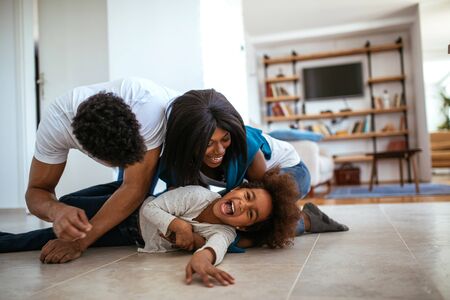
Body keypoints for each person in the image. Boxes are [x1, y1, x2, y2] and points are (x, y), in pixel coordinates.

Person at [1, 168, 301, 288]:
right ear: (237, 189)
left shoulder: (225, 233)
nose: (243, 206)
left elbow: (214, 249)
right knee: (68, 205)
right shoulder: (198, 195)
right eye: (247, 197)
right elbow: (149, 207)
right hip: (128, 207)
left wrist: (201, 260)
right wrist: (179, 225)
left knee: (44, 238)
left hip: (127, 235)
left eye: (251, 215)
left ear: (247, 228)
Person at [159, 89, 348, 250]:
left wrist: (201, 241)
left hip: (289, 173)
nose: (219, 151)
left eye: (225, 139)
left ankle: (306, 220)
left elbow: (263, 206)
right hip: (253, 185)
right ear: (188, 142)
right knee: (211, 214)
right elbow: (178, 201)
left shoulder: (247, 146)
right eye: (208, 143)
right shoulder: (177, 161)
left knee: (249, 226)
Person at [25, 77, 180, 261]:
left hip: (177, 141)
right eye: (122, 162)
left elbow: (135, 188)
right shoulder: (55, 127)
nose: (127, 164)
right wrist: (57, 210)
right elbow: (36, 191)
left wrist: (79, 242)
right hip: (146, 136)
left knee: (140, 205)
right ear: (91, 153)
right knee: (73, 205)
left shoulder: (149, 109)